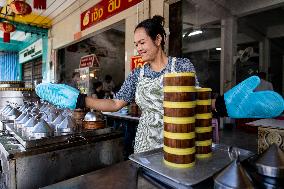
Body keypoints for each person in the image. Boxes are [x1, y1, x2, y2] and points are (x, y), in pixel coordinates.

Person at [36, 15, 284, 154]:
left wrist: (223, 105)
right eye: (136, 44)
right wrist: (80, 100)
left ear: (158, 39)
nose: (139, 48)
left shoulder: (182, 66)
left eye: (142, 42)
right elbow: (114, 103)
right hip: (145, 144)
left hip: (179, 141)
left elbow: (195, 102)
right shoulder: (137, 74)